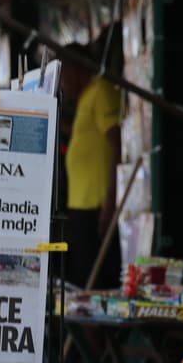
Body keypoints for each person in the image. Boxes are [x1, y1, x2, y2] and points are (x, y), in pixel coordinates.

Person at [59, 36, 123, 290]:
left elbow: (118, 144)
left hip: (96, 206)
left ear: (78, 68)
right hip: (80, 206)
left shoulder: (101, 92)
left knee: (93, 286)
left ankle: (102, 332)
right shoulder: (86, 98)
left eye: (64, 74)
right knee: (80, 283)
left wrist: (111, 200)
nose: (62, 83)